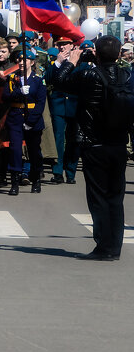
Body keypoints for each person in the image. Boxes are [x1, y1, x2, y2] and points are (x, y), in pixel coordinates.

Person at [56, 34, 133, 260]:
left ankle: (104, 247)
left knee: (98, 197)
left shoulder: (89, 74)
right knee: (115, 198)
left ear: (96, 54)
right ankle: (114, 247)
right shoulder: (127, 75)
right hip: (119, 144)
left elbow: (60, 81)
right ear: (119, 54)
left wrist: (71, 61)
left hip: (95, 143)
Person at [2, 49, 46, 196]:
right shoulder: (11, 78)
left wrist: (31, 122)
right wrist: (19, 92)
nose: (21, 62)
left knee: (34, 152)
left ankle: (35, 180)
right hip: (15, 118)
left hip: (32, 119)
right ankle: (15, 182)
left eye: (25, 60)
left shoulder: (38, 80)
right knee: (15, 150)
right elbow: (5, 97)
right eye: (19, 60)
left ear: (32, 62)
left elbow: (40, 104)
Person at [45, 38, 80, 184]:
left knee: (74, 140)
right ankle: (58, 172)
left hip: (74, 104)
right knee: (58, 139)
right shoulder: (55, 62)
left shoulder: (79, 60)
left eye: (65, 44)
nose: (62, 47)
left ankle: (71, 172)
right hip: (58, 104)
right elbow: (47, 79)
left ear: (72, 45)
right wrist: (57, 63)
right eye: (59, 44)